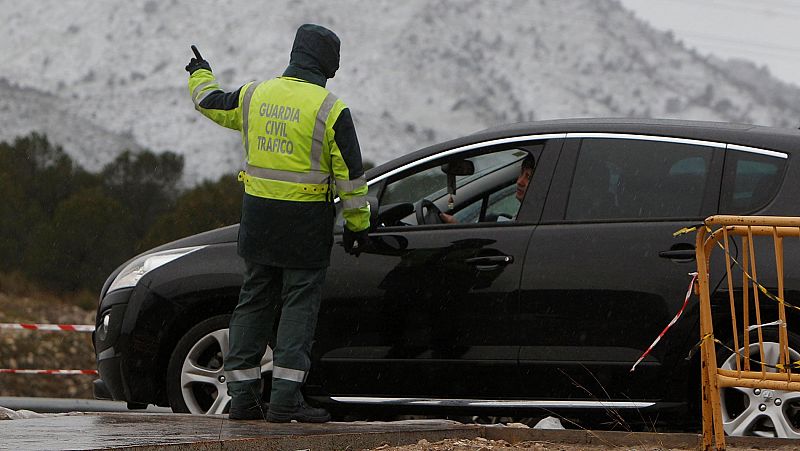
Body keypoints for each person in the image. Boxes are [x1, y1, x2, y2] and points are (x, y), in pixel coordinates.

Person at [186, 24, 370, 422]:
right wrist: (358, 224)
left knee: (253, 303)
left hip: (259, 221)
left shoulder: (255, 95)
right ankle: (286, 400)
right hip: (304, 227)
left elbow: (210, 102)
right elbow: (351, 179)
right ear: (329, 66)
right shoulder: (331, 110)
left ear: (294, 54)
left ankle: (242, 399)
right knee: (298, 309)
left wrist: (200, 72)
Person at [440, 153, 535, 223]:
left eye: (529, 177)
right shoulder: (526, 218)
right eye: (521, 174)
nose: (519, 182)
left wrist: (457, 230)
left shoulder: (532, 221)